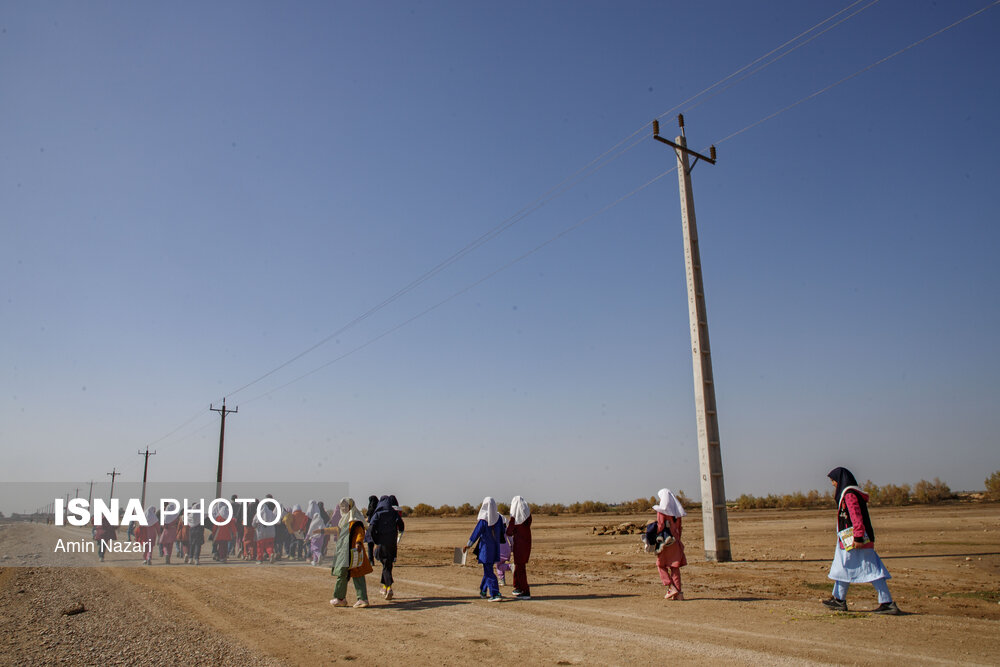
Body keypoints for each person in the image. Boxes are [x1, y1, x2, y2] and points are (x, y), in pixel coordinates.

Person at [824, 467, 901, 615]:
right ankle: (838, 599)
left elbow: (856, 516)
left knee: (871, 570)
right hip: (848, 541)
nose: (833, 484)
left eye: (833, 481)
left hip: (856, 541)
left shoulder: (850, 495)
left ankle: (887, 602)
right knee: (844, 568)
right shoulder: (849, 494)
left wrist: (858, 537)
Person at [315, 498, 373, 608]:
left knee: (358, 574)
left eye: (346, 506)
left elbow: (360, 533)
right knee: (342, 574)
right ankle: (340, 598)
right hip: (344, 553)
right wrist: (321, 531)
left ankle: (362, 599)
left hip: (354, 552)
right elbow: (336, 530)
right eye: (342, 506)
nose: (344, 508)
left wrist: (358, 543)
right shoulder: (344, 521)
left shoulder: (355, 521)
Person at [463, 497, 506, 602]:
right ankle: (483, 590)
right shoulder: (499, 518)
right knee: (488, 570)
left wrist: (468, 545)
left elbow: (476, 533)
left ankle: (495, 593)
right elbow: (502, 531)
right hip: (495, 548)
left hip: (485, 549)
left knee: (488, 572)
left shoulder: (483, 520)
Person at [652, 488, 687, 600]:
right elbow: (679, 529)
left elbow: (660, 526)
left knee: (660, 565)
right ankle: (679, 593)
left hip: (665, 542)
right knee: (674, 566)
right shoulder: (678, 513)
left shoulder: (662, 511)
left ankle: (670, 587)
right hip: (676, 541)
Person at [370, 495, 405, 600]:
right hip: (392, 543)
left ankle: (389, 588)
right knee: (387, 564)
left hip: (382, 543)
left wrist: (376, 539)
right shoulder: (393, 513)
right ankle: (384, 587)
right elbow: (401, 525)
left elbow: (371, 528)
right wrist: (397, 533)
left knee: (385, 564)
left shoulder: (377, 514)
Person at [505, 495, 532, 599]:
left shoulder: (514, 519)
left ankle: (525, 590)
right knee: (520, 566)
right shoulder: (527, 517)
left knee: (520, 568)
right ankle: (518, 587)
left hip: (519, 545)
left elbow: (509, 532)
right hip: (527, 543)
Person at [364, 495, 379, 564]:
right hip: (378, 529)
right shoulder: (379, 508)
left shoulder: (370, 510)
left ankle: (371, 560)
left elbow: (369, 519)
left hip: (370, 529)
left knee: (370, 545)